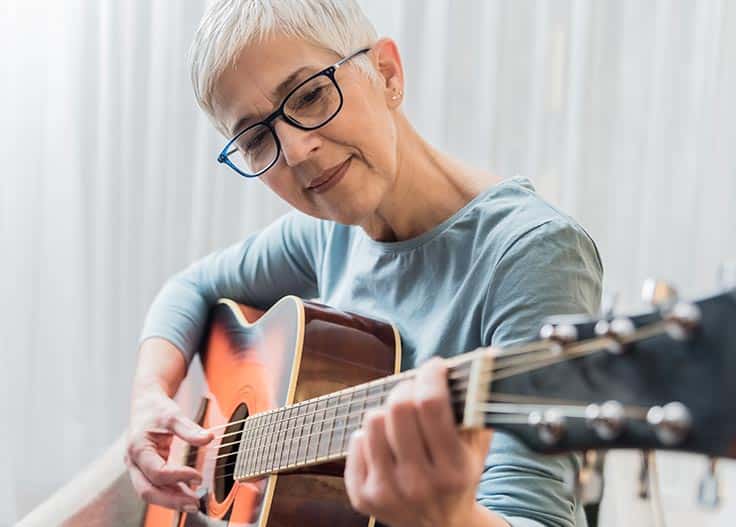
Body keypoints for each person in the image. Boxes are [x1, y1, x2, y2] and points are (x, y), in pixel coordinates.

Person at [125, 1, 603, 526]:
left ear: (387, 73)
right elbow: (189, 287)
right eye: (257, 137)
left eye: (309, 96)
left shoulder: (532, 252)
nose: (297, 150)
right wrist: (151, 396)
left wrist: (452, 517)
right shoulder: (325, 234)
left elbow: (540, 517)